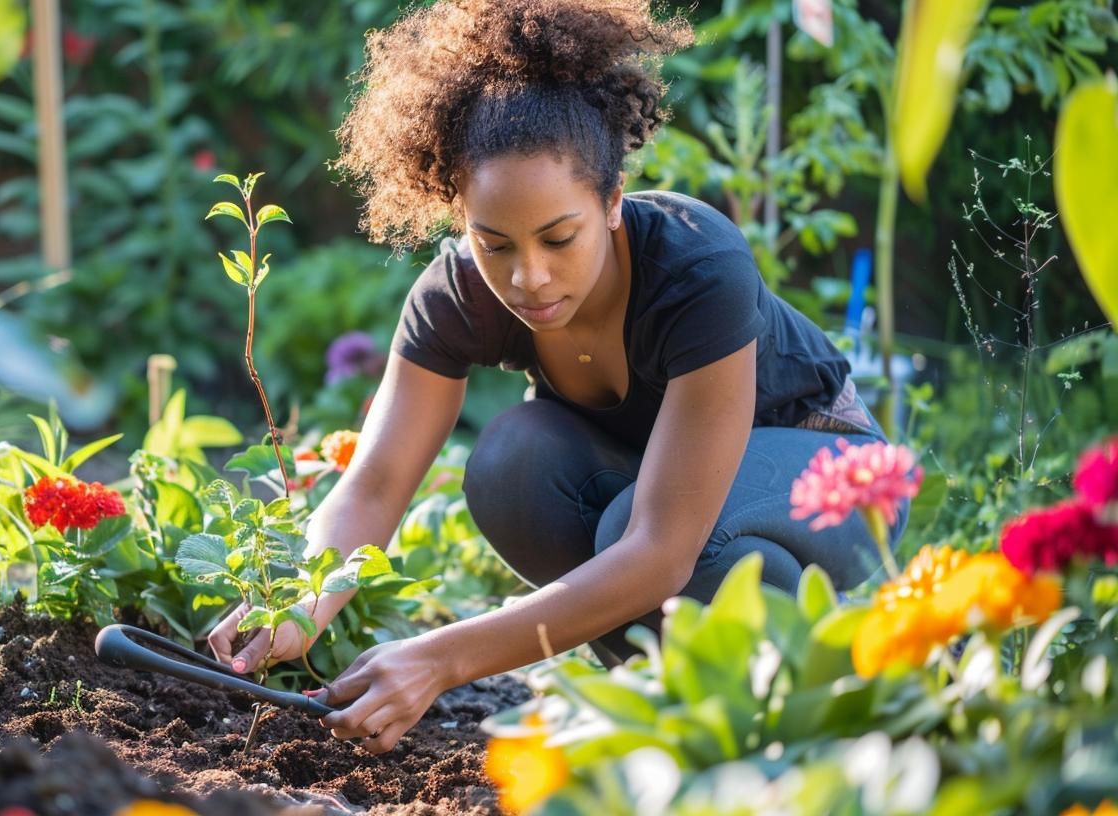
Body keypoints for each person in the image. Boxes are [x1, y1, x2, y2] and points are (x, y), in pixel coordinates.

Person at [207, 0, 908, 754]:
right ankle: (669, 709)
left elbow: (661, 549)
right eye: (494, 242)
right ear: (458, 215)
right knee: (513, 465)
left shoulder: (697, 269)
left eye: (559, 237)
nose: (529, 276)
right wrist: (302, 599)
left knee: (646, 539)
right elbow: (374, 485)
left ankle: (821, 687)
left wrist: (442, 657)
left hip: (831, 477)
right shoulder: (458, 299)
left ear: (611, 201)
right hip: (662, 504)